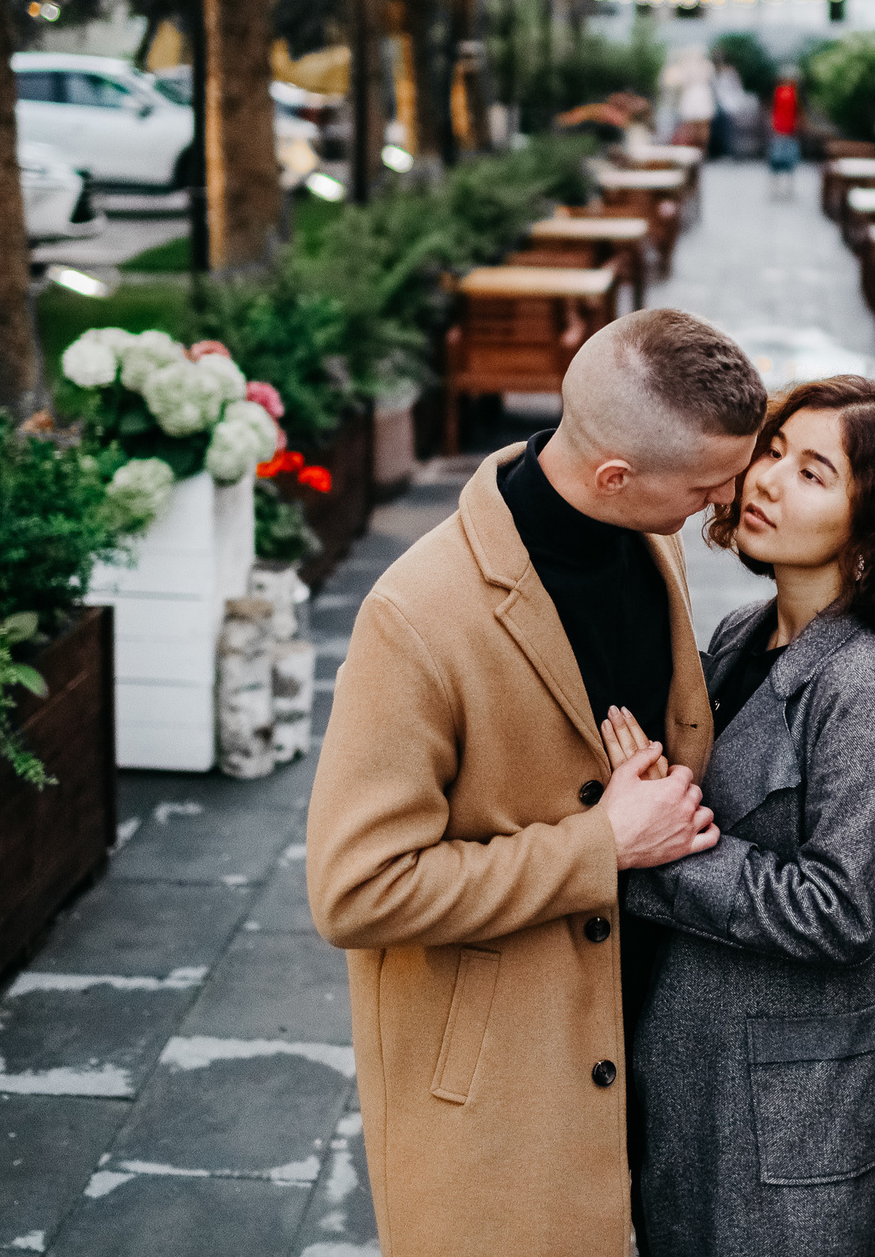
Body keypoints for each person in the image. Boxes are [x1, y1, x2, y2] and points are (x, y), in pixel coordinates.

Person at [307, 308, 771, 1257]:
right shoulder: (417, 616)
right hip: (502, 1096)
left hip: (645, 1039)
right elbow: (355, 890)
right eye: (710, 483)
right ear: (615, 476)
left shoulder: (653, 540)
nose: (734, 498)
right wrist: (601, 845)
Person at [606, 374, 875, 1257]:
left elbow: (844, 908)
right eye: (774, 451)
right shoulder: (744, 633)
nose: (768, 480)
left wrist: (655, 851)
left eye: (814, 472)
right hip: (698, 1074)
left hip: (795, 1108)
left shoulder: (868, 687)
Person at [766, 71, 802, 197]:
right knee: (783, 160)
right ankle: (782, 188)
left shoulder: (784, 92)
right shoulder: (789, 92)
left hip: (785, 130)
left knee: (780, 160)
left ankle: (781, 188)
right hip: (783, 130)